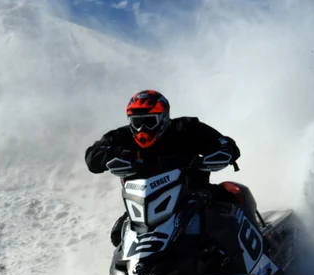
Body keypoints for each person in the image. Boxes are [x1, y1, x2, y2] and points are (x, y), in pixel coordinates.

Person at [85, 90, 242, 247]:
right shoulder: (121, 137)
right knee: (117, 236)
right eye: (137, 123)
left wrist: (223, 153)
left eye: (149, 121)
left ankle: (256, 257)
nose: (142, 129)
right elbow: (92, 158)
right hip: (143, 208)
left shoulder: (186, 129)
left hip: (195, 197)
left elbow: (226, 144)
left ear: (164, 117)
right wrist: (116, 152)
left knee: (230, 208)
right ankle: (127, 269)